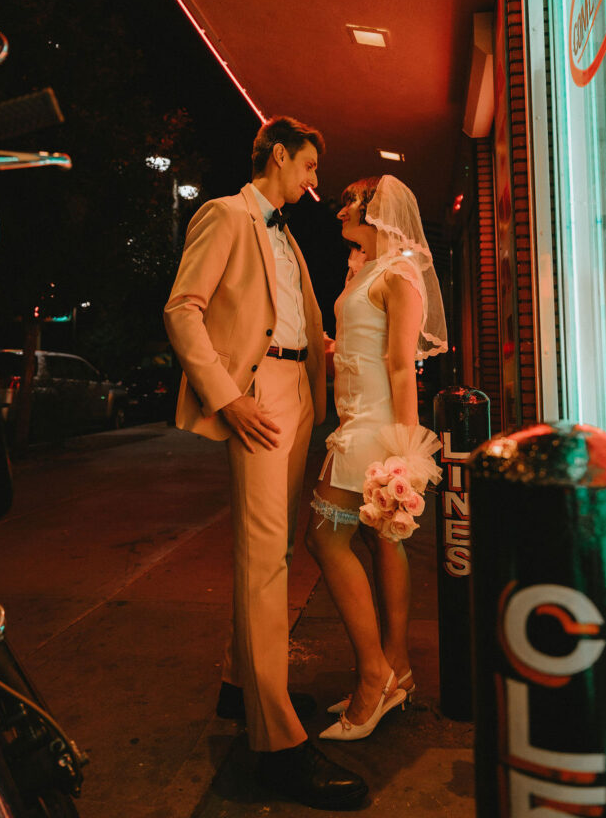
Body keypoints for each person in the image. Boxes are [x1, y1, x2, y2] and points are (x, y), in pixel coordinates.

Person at [164, 116, 368, 810]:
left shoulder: (282, 230)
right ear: (277, 156)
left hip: (297, 393)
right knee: (263, 561)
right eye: (309, 167)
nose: (315, 183)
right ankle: (276, 746)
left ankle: (237, 685)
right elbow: (182, 309)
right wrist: (227, 395)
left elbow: (297, 321)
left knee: (276, 548)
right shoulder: (224, 214)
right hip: (257, 395)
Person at [305, 174, 448, 740]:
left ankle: (374, 677)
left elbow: (400, 367)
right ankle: (400, 670)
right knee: (378, 538)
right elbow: (367, 344)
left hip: (374, 423)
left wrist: (406, 456)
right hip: (353, 416)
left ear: (374, 208)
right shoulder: (366, 268)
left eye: (349, 202)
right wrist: (337, 349)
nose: (340, 210)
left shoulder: (401, 273)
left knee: (324, 537)